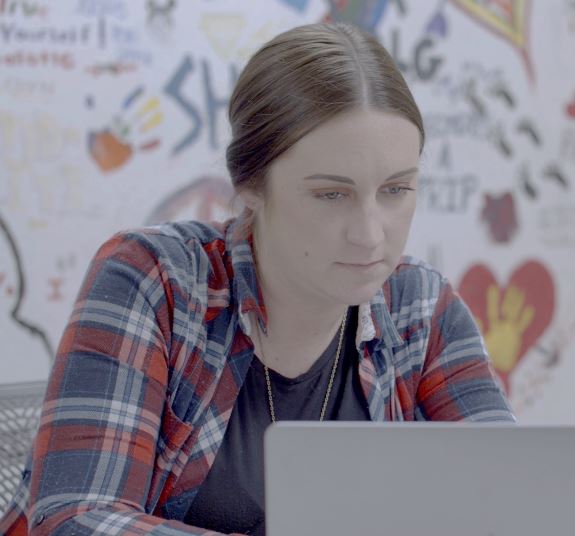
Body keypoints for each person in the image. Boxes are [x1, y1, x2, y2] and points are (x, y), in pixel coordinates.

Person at [0, 22, 514, 536]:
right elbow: (74, 520)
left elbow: (515, 497)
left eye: (396, 190)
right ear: (250, 186)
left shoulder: (421, 307)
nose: (370, 234)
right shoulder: (153, 279)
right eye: (331, 194)